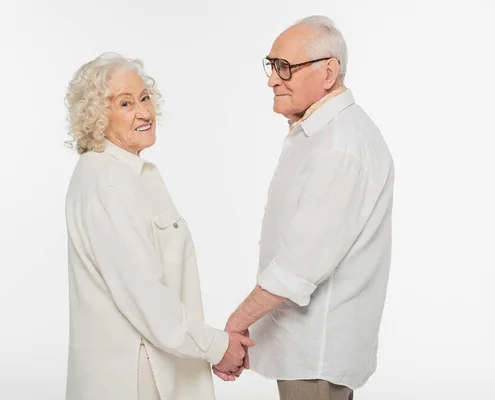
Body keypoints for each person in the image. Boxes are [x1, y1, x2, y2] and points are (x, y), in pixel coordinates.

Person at [214, 16, 395, 400]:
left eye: (285, 68)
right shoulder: (326, 135)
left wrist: (236, 324)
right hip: (309, 352)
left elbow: (298, 267)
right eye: (271, 65)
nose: (272, 79)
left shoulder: (340, 146)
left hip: (316, 354)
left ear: (328, 73)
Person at [64, 52, 253, 400]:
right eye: (125, 103)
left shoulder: (129, 174)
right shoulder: (109, 185)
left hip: (158, 368)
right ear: (96, 116)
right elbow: (146, 298)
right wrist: (215, 346)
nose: (143, 112)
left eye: (144, 97)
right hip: (134, 381)